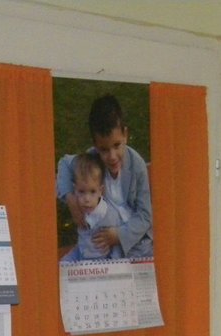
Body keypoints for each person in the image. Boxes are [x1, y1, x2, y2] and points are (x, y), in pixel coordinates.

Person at [55, 93, 153, 259]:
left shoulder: (137, 166)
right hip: (98, 245)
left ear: (125, 135)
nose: (112, 156)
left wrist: (118, 236)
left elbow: (145, 216)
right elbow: (65, 164)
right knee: (65, 265)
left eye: (117, 145)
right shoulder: (92, 159)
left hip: (134, 245)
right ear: (95, 145)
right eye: (104, 149)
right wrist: (70, 199)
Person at [61, 151, 122, 262]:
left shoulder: (108, 215)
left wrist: (115, 263)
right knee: (61, 265)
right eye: (81, 192)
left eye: (92, 192)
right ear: (75, 189)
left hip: (103, 261)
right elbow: (81, 244)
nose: (87, 199)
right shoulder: (79, 210)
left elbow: (117, 246)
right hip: (81, 255)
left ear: (101, 191)